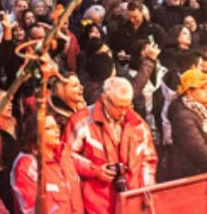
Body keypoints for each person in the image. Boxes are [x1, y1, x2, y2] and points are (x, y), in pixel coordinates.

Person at [64, 76, 157, 214]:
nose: (124, 112)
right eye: (119, 106)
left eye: (128, 106)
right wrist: (95, 170)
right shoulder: (81, 121)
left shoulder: (139, 125)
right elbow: (66, 157)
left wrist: (147, 194)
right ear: (104, 99)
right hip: (97, 206)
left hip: (132, 205)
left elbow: (148, 162)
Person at [10, 113, 82, 214]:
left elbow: (86, 166)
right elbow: (31, 208)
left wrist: (98, 171)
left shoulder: (64, 155)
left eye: (56, 126)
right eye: (49, 128)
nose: (57, 131)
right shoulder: (26, 165)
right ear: (35, 134)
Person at [164, 68, 207, 180]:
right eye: (202, 88)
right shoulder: (183, 117)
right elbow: (200, 154)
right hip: (192, 176)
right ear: (189, 91)